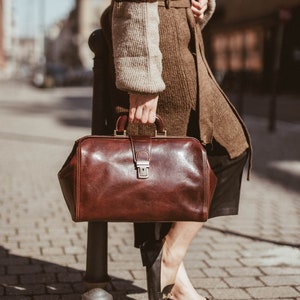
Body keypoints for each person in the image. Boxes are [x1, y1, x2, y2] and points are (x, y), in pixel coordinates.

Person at [95, 0, 252, 299]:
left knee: (183, 159)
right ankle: (169, 263)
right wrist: (142, 79)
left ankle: (169, 265)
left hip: (179, 33)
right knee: (157, 164)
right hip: (152, 37)